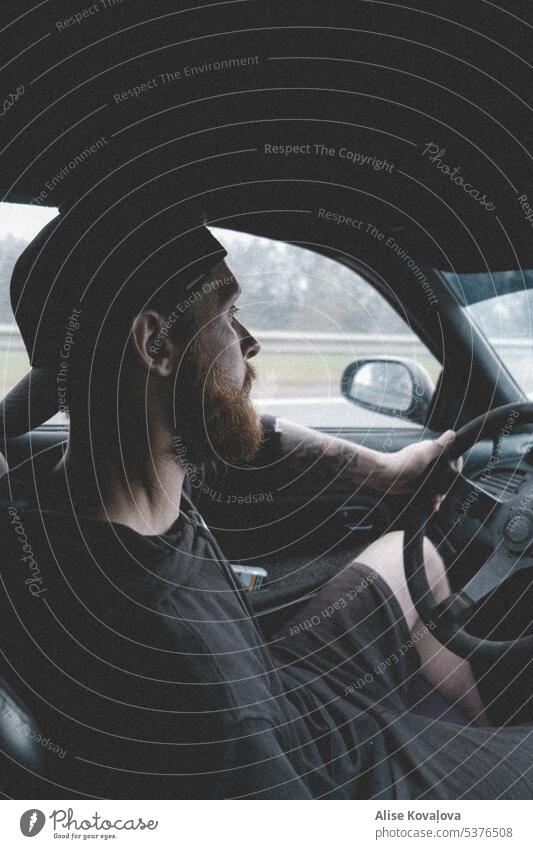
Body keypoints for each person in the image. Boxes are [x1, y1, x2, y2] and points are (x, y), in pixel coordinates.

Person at [0, 196, 532, 799]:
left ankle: (467, 726)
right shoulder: (204, 689)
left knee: (411, 557)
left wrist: (385, 472)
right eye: (228, 313)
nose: (249, 341)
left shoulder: (42, 490)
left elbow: (252, 429)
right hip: (329, 772)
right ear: (155, 345)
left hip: (282, 690)